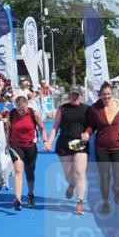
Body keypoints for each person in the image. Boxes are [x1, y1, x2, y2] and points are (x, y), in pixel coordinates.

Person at [84, 81, 119, 215]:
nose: (107, 97)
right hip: (101, 147)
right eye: (104, 94)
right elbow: (91, 126)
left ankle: (116, 188)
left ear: (112, 94)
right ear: (100, 95)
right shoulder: (94, 108)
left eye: (109, 94)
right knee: (104, 177)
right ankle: (105, 202)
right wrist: (87, 133)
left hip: (117, 145)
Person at [45, 85, 90, 215]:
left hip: (81, 144)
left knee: (80, 173)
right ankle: (71, 184)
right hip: (65, 143)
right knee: (70, 174)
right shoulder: (62, 109)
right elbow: (55, 127)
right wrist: (49, 141)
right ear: (69, 95)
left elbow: (90, 127)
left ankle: (79, 203)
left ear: (81, 95)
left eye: (77, 94)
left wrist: (87, 133)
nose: (75, 97)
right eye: (72, 94)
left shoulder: (86, 109)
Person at [4, 91, 46, 210]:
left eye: (22, 109)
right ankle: (17, 199)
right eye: (18, 109)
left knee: (30, 172)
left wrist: (46, 141)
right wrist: (7, 143)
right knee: (18, 169)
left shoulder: (34, 114)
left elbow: (42, 128)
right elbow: (8, 129)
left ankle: (30, 194)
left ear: (27, 105)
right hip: (15, 145)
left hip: (30, 146)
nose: (20, 111)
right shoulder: (12, 114)